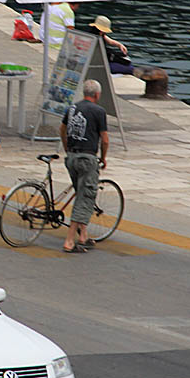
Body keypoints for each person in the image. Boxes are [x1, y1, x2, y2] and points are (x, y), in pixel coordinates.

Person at [60, 79, 109, 253]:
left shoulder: (72, 108)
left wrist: (67, 149)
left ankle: (83, 236)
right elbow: (104, 139)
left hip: (72, 157)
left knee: (80, 193)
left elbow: (62, 129)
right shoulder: (99, 111)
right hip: (87, 158)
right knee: (85, 197)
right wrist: (103, 158)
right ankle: (69, 241)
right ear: (97, 95)